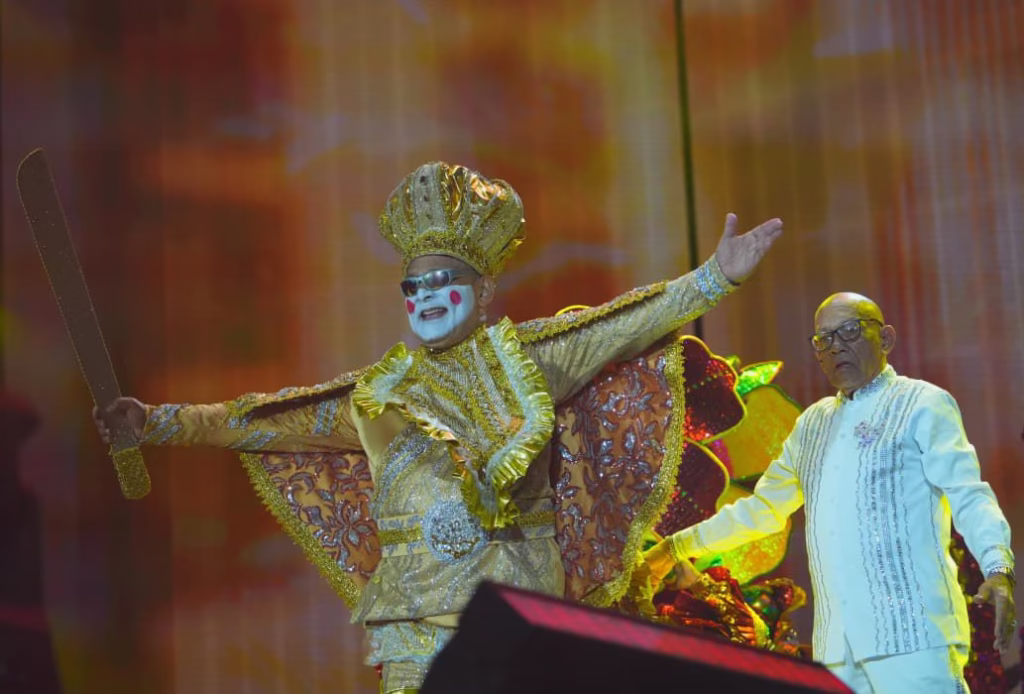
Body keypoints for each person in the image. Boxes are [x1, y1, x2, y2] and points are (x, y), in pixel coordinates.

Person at [95, 161, 782, 693]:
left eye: (441, 281)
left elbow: (624, 325)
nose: (424, 297)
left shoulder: (532, 362)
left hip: (520, 614)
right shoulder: (377, 397)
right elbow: (263, 420)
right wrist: (157, 423)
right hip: (414, 629)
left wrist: (715, 278)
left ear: (484, 290)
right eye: (412, 286)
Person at [643, 291, 1017, 693]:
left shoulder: (922, 403)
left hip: (912, 636)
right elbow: (763, 509)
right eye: (823, 340)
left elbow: (968, 493)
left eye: (850, 331)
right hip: (837, 650)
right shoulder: (813, 425)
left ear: (886, 338)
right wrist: (677, 547)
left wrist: (998, 568)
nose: (836, 346)